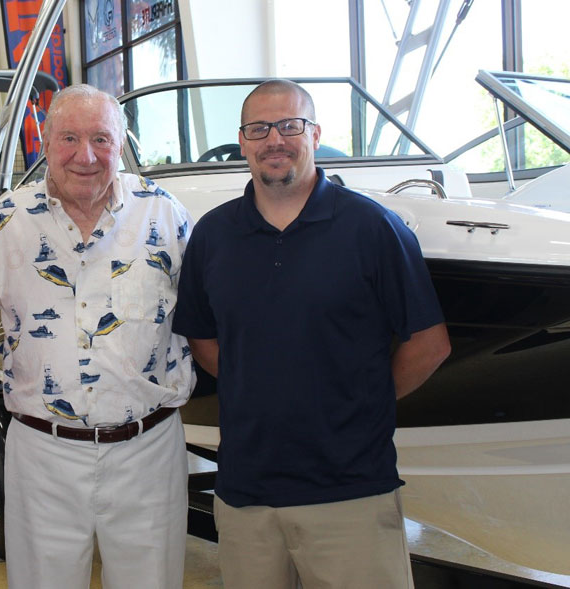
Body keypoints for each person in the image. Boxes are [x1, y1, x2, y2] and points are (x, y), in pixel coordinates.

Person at [173, 79, 451, 589]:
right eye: (259, 128)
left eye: (289, 125)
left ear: (315, 134)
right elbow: (203, 342)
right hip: (245, 494)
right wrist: (257, 384)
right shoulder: (212, 235)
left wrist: (361, 402)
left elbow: (430, 343)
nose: (274, 139)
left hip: (352, 494)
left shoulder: (373, 228)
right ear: (243, 141)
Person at [0, 84, 195, 589]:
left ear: (122, 144)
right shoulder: (6, 221)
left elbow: (216, 316)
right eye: (69, 138)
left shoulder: (165, 215)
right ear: (46, 142)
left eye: (101, 138)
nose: (86, 155)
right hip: (43, 454)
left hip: (148, 448)